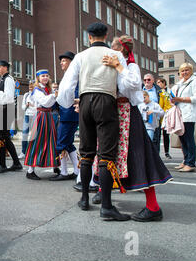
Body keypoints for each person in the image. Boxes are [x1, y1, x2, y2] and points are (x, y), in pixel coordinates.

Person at [57, 22, 131, 221]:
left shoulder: (80, 56)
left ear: (89, 37)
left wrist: (66, 103)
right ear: (106, 36)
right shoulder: (116, 56)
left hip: (85, 101)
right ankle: (106, 206)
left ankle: (84, 199)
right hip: (106, 100)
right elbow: (126, 86)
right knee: (106, 154)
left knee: (86, 151)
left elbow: (66, 87)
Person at [101, 35, 173, 222]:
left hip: (127, 113)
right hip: (112, 112)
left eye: (114, 46)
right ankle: (103, 191)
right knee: (107, 153)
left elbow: (131, 85)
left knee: (138, 155)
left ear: (122, 48)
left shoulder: (130, 66)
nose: (111, 48)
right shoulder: (113, 64)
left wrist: (118, 66)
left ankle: (153, 206)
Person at [24, 70, 60, 180]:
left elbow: (51, 103)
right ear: (38, 78)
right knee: (37, 141)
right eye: (42, 76)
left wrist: (53, 95)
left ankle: (55, 165)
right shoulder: (37, 90)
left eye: (46, 76)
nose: (45, 78)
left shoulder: (48, 89)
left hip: (48, 115)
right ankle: (30, 170)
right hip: (41, 116)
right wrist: (54, 95)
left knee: (51, 140)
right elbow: (44, 102)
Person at [0, 60, 23, 174]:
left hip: (6, 109)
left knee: (0, 136)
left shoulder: (8, 79)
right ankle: (16, 163)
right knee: (5, 137)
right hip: (3, 109)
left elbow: (8, 97)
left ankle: (3, 164)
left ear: (6, 68)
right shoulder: (2, 80)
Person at [171, 63, 196, 172]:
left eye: (187, 70)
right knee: (183, 138)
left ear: (191, 70)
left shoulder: (195, 82)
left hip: (189, 114)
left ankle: (191, 162)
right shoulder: (180, 83)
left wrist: (181, 99)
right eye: (182, 71)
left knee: (189, 138)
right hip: (180, 113)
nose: (184, 72)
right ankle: (186, 160)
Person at [53, 51, 80, 182]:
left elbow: (73, 93)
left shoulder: (74, 75)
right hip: (67, 113)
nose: (61, 63)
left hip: (69, 113)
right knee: (68, 144)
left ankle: (64, 172)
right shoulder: (68, 75)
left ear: (71, 62)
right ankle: (76, 170)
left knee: (61, 143)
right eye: (61, 61)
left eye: (64, 60)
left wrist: (66, 103)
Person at [143, 73, 162, 152]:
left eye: (149, 79)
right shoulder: (140, 90)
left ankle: (155, 160)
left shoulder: (158, 91)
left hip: (154, 119)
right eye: (145, 80)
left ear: (153, 81)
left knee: (155, 140)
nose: (147, 81)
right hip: (142, 119)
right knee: (143, 140)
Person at [157, 78, 173, 159]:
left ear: (163, 83)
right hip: (159, 115)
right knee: (158, 135)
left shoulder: (167, 92)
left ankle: (167, 152)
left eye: (159, 82)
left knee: (166, 134)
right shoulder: (158, 92)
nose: (158, 84)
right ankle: (157, 153)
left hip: (166, 114)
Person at [19, 83, 36, 159]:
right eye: (29, 86)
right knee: (24, 134)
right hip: (27, 115)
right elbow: (23, 107)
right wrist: (27, 105)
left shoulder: (37, 94)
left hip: (34, 116)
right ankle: (23, 152)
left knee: (33, 135)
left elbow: (39, 106)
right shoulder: (26, 95)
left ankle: (31, 152)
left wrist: (33, 106)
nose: (30, 87)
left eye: (32, 86)